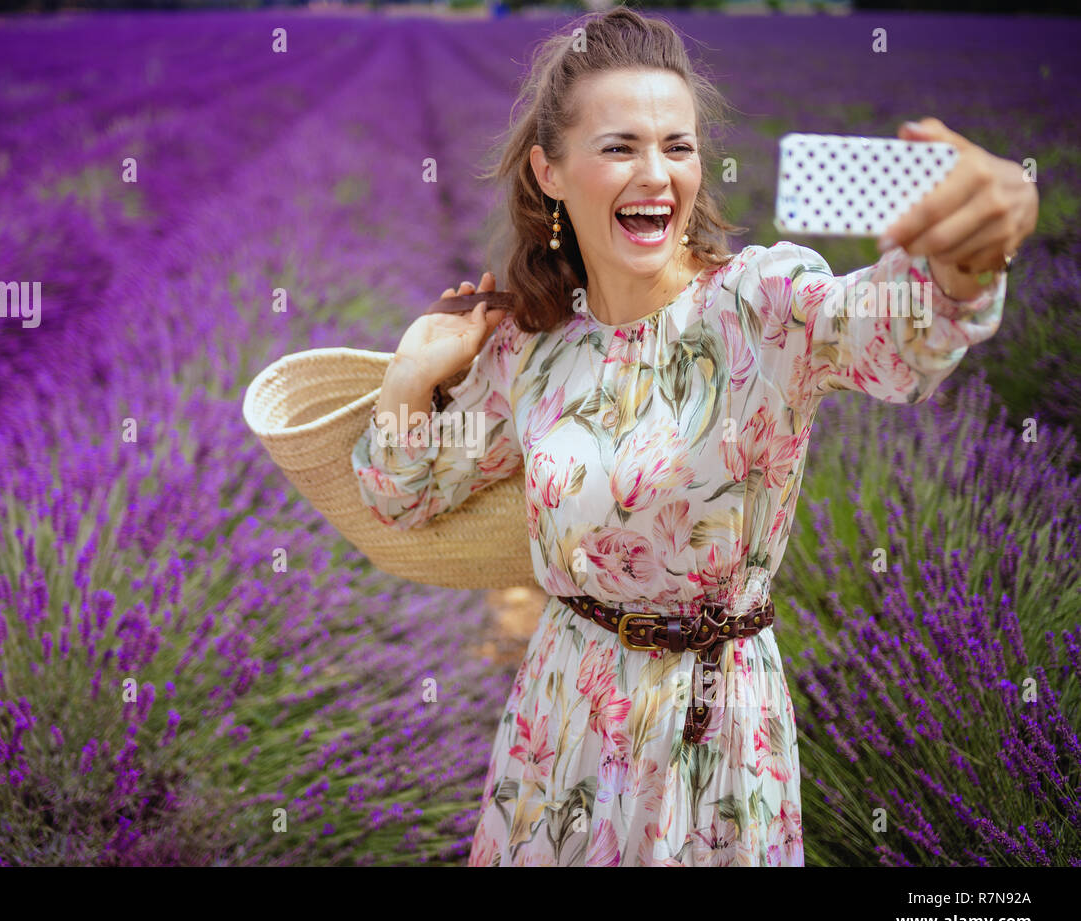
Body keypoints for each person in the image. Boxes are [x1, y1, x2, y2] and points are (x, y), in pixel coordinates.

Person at [350, 8, 1037, 866]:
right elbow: (401, 493)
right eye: (619, 146)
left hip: (717, 731)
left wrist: (968, 257)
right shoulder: (533, 348)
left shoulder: (760, 303)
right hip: (564, 717)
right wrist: (412, 376)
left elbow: (901, 334)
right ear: (550, 171)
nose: (656, 173)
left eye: (677, 146)